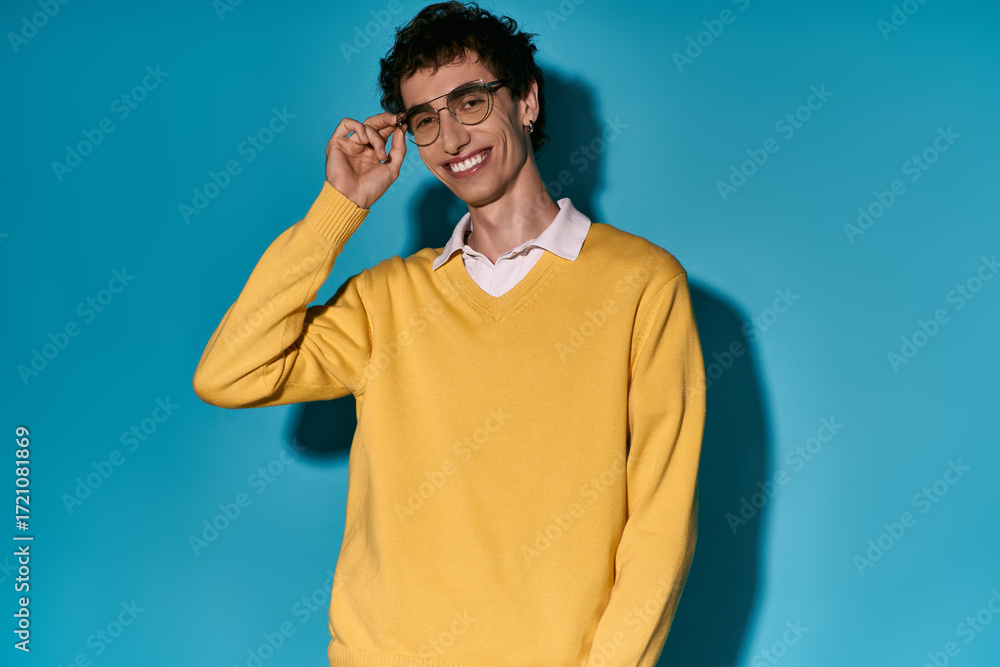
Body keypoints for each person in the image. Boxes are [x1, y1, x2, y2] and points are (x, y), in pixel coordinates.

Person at [192, 2, 706, 665]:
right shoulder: (385, 299)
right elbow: (229, 372)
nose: (452, 139)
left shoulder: (641, 283)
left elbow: (662, 520)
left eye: (470, 102)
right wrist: (338, 208)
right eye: (425, 120)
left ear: (526, 101)